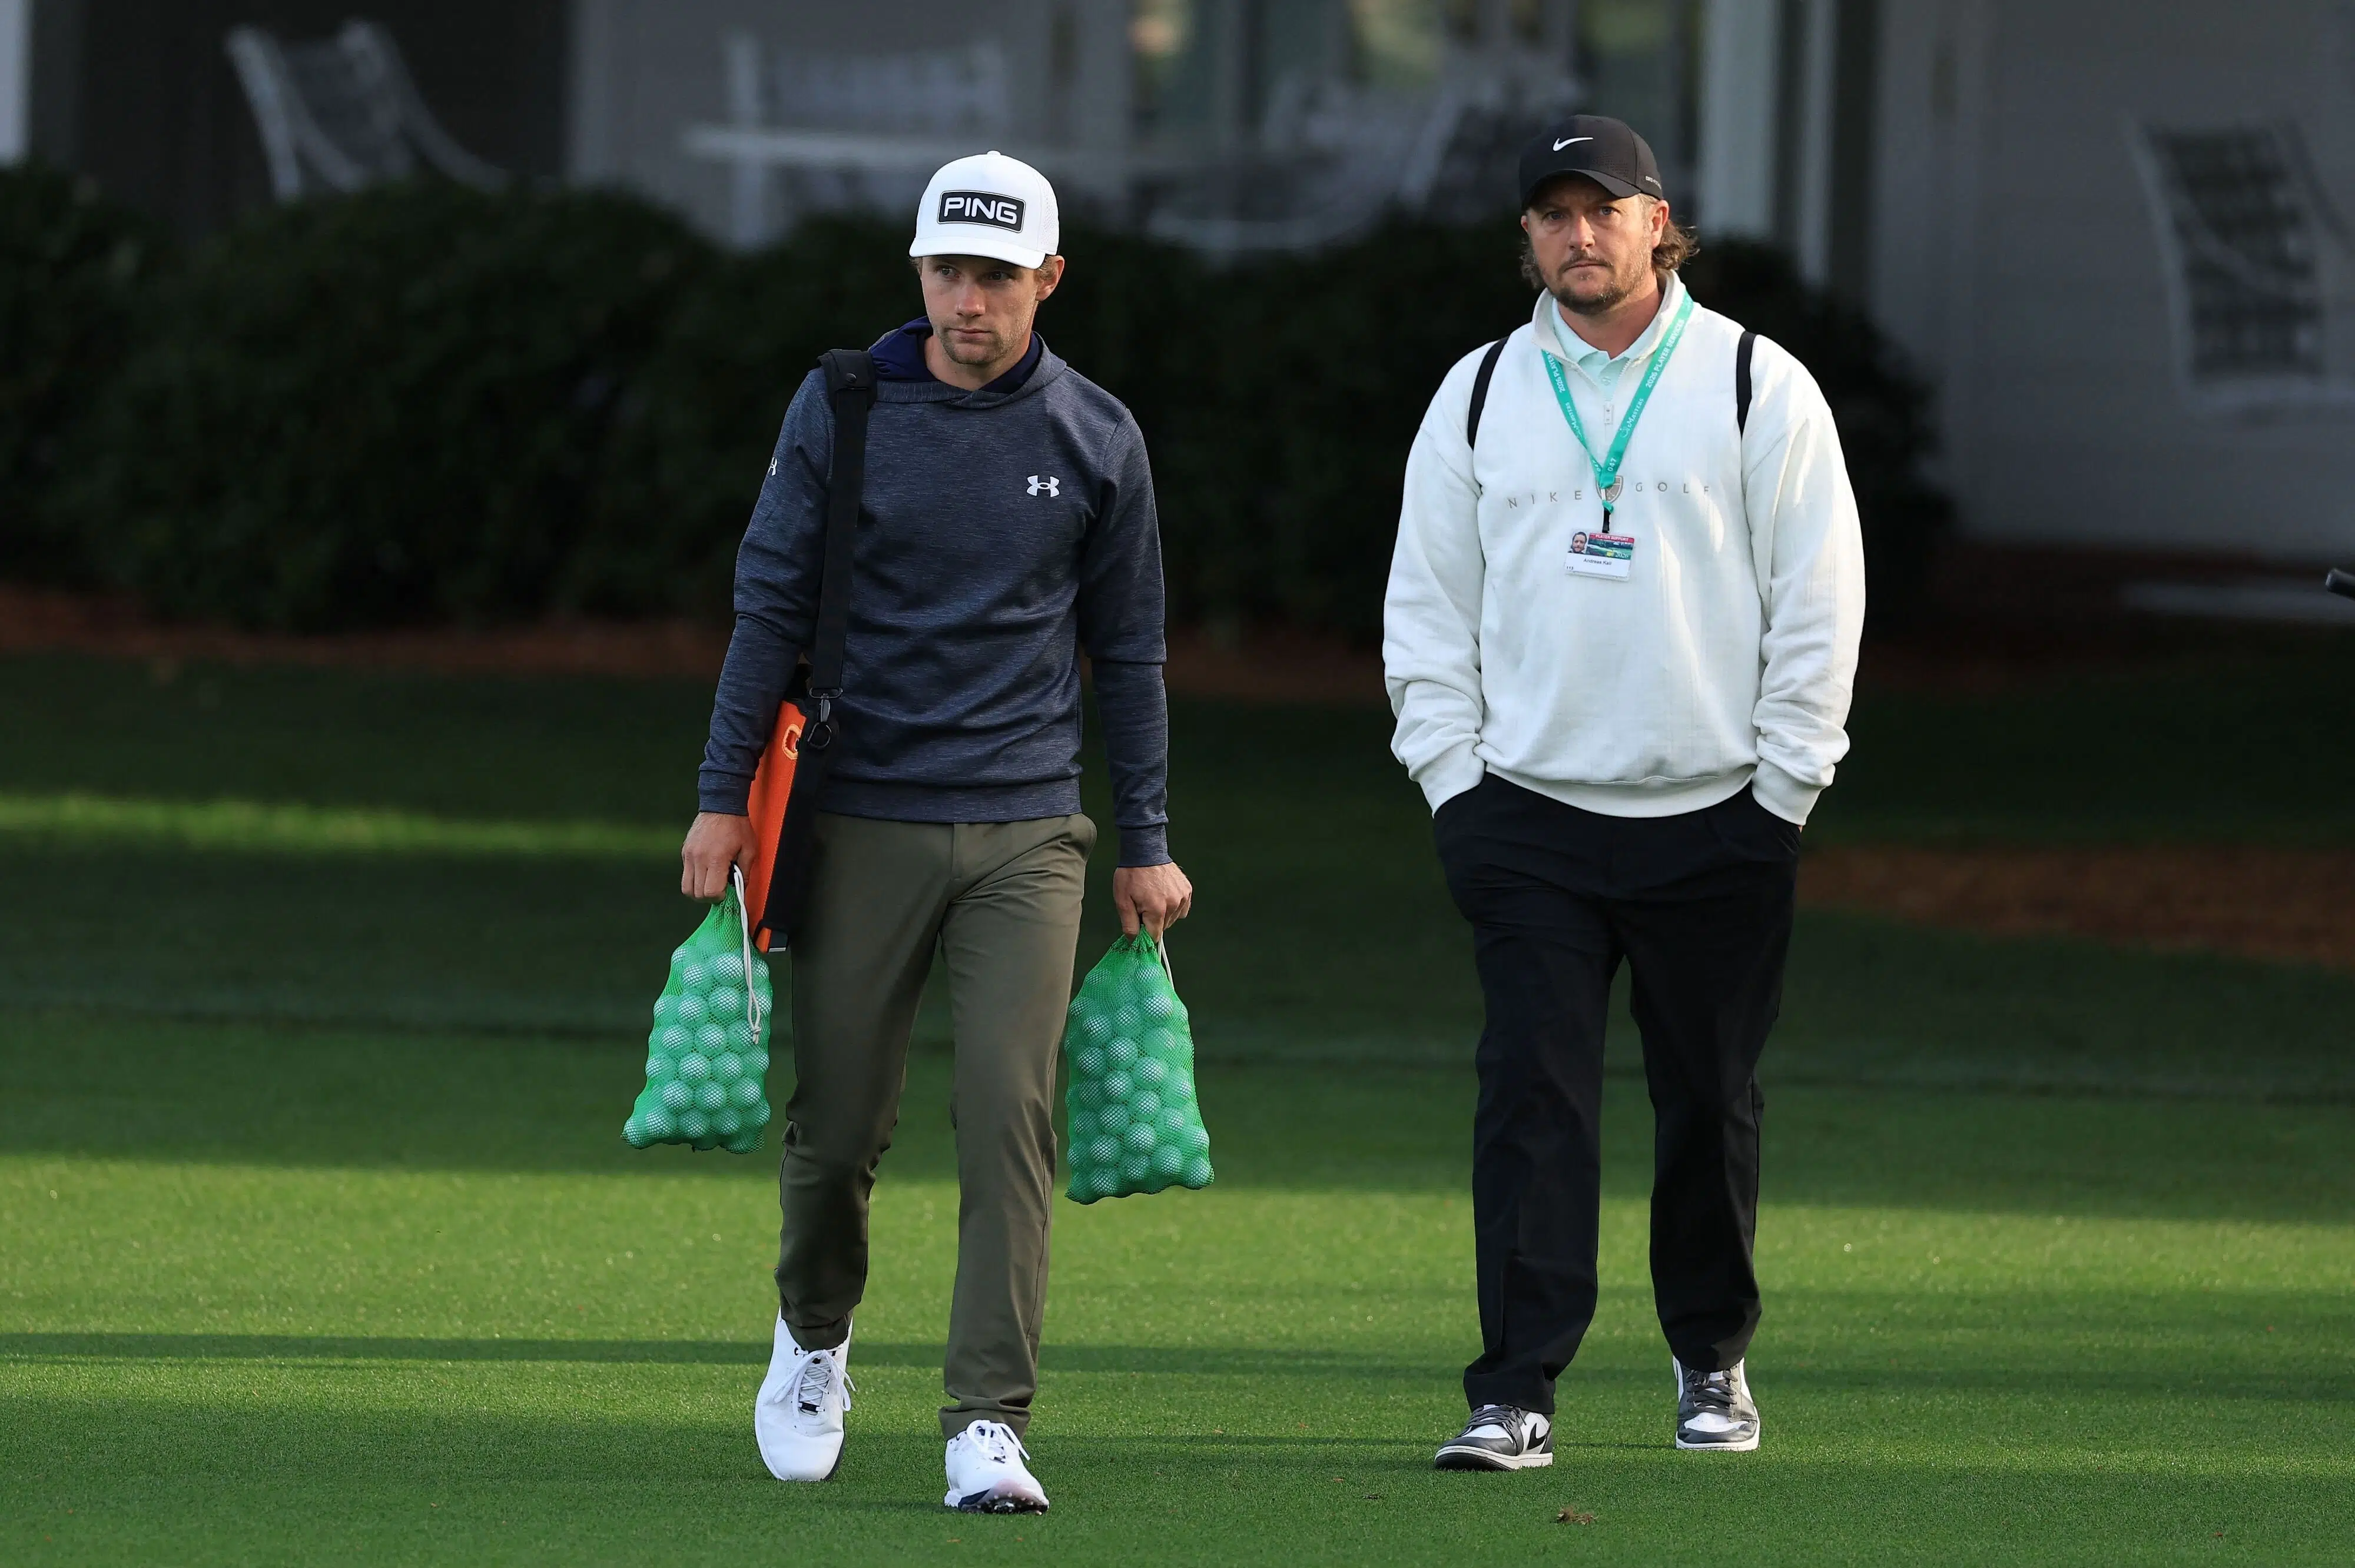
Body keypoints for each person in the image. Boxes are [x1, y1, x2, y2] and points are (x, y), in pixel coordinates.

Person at [679, 150, 1193, 1514]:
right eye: (947, 273)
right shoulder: (843, 403)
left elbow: (1129, 653)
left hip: (1029, 828)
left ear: (1048, 278)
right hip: (856, 817)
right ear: (918, 271)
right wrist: (721, 799)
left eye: (995, 276)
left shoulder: (1097, 436)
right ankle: (814, 1336)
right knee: (837, 1126)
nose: (968, 301)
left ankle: (986, 1423)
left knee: (1008, 1118)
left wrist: (1142, 837)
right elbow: (768, 608)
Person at [1383, 115, 1864, 1470]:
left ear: (1659, 223)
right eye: (1552, 213)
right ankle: (1512, 1389)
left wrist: (1782, 787)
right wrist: (1452, 783)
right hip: (1527, 816)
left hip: (1717, 811)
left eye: (1602, 209)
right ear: (1526, 236)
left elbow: (1819, 603)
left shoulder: (1754, 383)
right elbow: (1425, 605)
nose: (1578, 235)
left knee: (1707, 1100)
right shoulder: (1478, 390)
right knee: (1528, 1099)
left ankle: (1709, 1358)